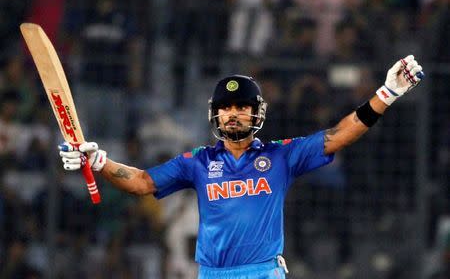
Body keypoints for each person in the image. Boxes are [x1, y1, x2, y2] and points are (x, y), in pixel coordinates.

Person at [59, 55, 424, 278]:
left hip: (263, 272)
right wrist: (99, 161)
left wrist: (386, 94)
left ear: (256, 113)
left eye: (242, 106)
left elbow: (340, 134)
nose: (233, 113)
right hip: (213, 275)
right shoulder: (197, 162)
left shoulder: (282, 156)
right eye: (226, 106)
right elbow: (140, 182)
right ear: (216, 113)